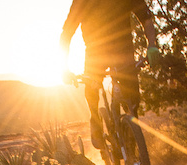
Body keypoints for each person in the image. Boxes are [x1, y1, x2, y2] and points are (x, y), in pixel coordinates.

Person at [60, 0, 160, 148]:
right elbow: (67, 33)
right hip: (96, 51)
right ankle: (96, 123)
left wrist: (152, 45)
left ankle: (132, 138)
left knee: (132, 97)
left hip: (122, 50)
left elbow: (146, 18)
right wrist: (64, 67)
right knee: (92, 87)